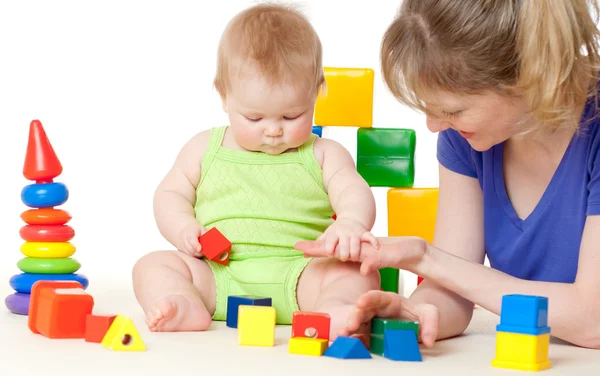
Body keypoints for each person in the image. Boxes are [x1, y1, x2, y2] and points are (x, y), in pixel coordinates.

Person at [296, 0, 600, 349]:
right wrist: (410, 314)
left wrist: (427, 257)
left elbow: (592, 319)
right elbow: (455, 292)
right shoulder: (466, 139)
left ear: (531, 75)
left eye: (454, 110)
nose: (434, 126)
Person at [131, 3, 380, 337]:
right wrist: (183, 228)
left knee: (357, 273)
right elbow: (170, 194)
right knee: (151, 265)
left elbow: (353, 191)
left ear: (317, 92)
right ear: (224, 96)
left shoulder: (324, 154)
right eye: (254, 118)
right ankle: (183, 301)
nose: (273, 130)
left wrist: (350, 222)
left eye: (292, 116)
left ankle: (333, 310)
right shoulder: (204, 148)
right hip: (219, 275)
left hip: (301, 275)